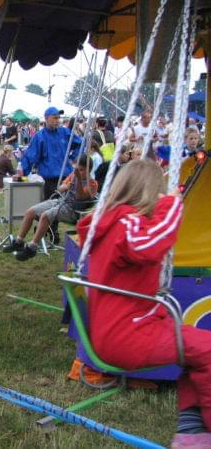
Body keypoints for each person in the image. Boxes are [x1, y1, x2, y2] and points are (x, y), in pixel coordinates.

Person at [76, 159, 211, 448]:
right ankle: (197, 435)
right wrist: (171, 205)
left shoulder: (110, 221)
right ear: (150, 191)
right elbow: (147, 247)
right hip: (129, 336)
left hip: (116, 331)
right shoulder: (126, 221)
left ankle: (194, 434)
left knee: (199, 351)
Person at [8, 154, 98, 261]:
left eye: (82, 170)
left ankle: (32, 247)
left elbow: (80, 196)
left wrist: (78, 180)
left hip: (73, 210)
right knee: (30, 212)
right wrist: (65, 186)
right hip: (61, 201)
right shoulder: (72, 175)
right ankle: (19, 241)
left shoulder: (92, 184)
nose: (78, 172)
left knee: (46, 216)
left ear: (89, 170)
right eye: (76, 169)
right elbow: (59, 189)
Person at [16, 106, 81, 200]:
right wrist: (22, 174)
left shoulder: (65, 132)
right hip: (49, 181)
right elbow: (30, 157)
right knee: (50, 208)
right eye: (54, 117)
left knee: (68, 206)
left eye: (58, 117)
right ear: (46, 118)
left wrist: (73, 158)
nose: (57, 120)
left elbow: (80, 143)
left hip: (67, 178)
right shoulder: (40, 137)